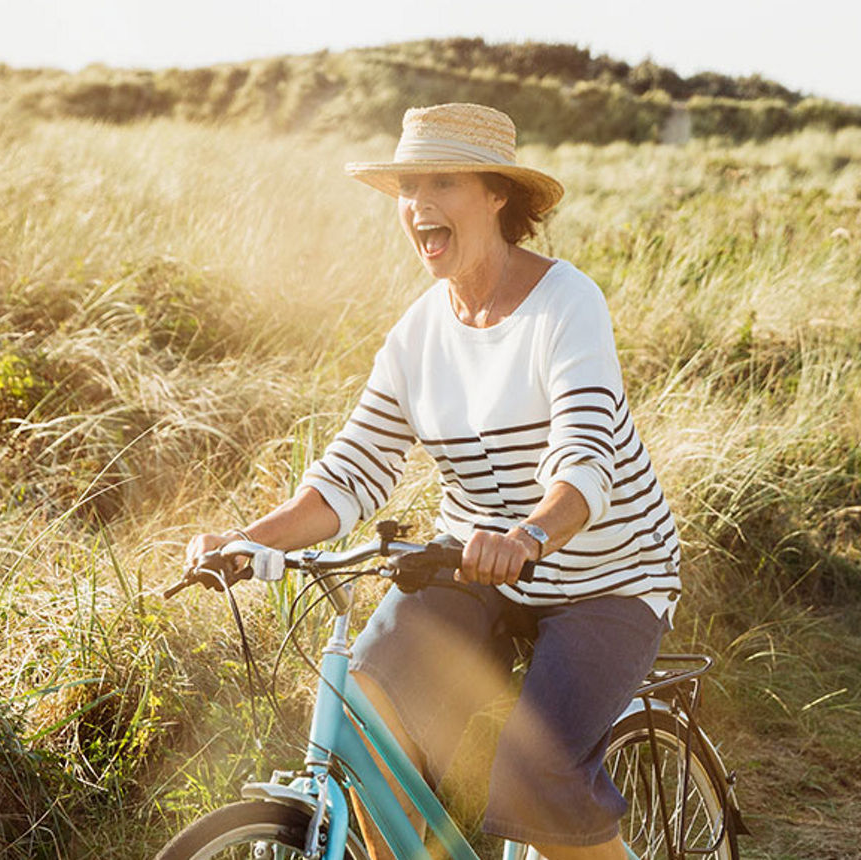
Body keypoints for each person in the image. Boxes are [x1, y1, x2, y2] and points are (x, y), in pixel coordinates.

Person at [185, 103, 680, 860]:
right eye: (410, 184)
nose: (419, 203)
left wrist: (530, 534)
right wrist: (246, 541)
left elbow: (586, 461)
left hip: (605, 578)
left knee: (532, 771)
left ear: (497, 196)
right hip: (472, 565)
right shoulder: (418, 334)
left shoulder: (565, 305)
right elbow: (350, 473)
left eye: (443, 180)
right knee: (367, 714)